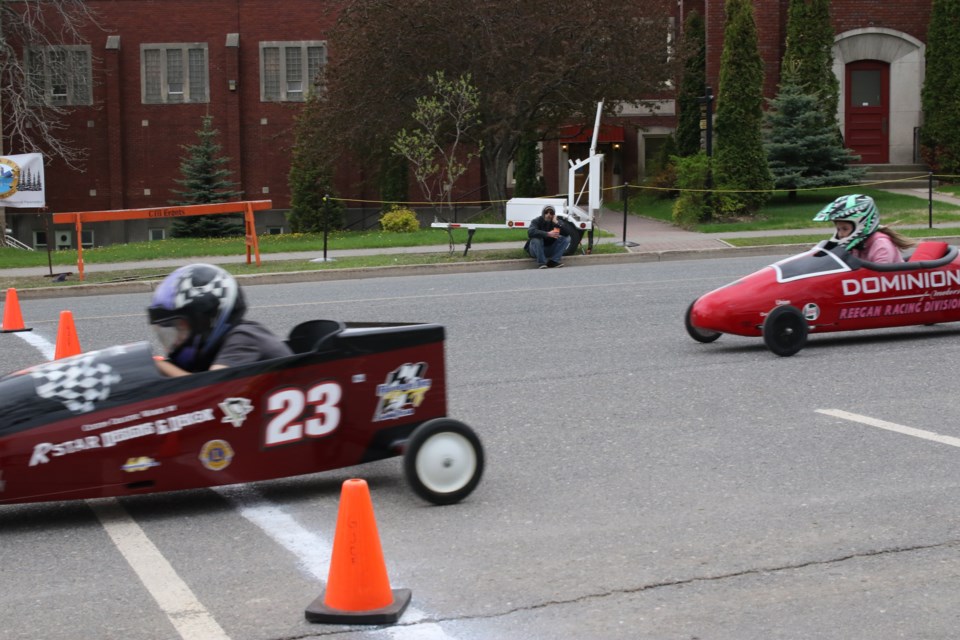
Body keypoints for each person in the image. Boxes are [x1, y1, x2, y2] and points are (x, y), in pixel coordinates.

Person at [147, 263, 292, 377]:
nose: (175, 341)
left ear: (205, 320)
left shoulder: (244, 337)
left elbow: (209, 389)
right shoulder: (216, 345)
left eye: (180, 329)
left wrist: (156, 364)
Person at [813, 194, 915, 264]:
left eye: (845, 229)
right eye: (838, 229)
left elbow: (881, 279)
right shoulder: (856, 245)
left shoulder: (881, 245)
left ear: (862, 225)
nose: (840, 235)